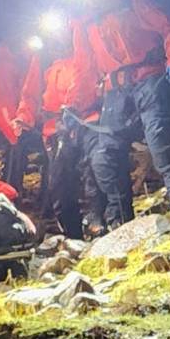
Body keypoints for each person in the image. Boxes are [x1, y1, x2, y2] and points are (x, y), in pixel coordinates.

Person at [73, 0, 170, 229]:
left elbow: (169, 28)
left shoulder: (134, 1)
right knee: (104, 154)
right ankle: (120, 219)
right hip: (115, 90)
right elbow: (84, 68)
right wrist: (78, 106)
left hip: (149, 78)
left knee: (160, 133)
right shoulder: (85, 24)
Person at [14, 39, 101, 238]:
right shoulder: (44, 58)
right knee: (59, 186)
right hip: (55, 130)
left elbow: (88, 79)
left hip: (88, 122)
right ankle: (74, 235)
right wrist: (24, 116)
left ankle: (100, 224)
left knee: (95, 175)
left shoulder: (84, 41)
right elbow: (31, 92)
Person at [0, 40, 40, 193]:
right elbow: (4, 98)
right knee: (13, 155)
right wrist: (13, 126)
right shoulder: (7, 64)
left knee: (18, 156)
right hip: (12, 118)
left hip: (22, 116)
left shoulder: (25, 62)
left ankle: (12, 190)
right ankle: (10, 192)